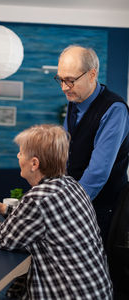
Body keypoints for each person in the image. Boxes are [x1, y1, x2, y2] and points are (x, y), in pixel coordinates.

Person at [0, 124, 113, 300]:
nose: (18, 156)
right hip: (97, 291)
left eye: (21, 152)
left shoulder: (38, 198)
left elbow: (1, 238)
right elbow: (41, 219)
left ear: (34, 163)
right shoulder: (71, 185)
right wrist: (0, 207)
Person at [55, 45, 129, 245]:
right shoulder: (74, 101)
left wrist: (66, 208)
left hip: (102, 209)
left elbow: (97, 172)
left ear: (92, 74)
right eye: (60, 79)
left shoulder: (114, 109)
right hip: (74, 203)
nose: (64, 87)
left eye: (70, 80)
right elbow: (65, 153)